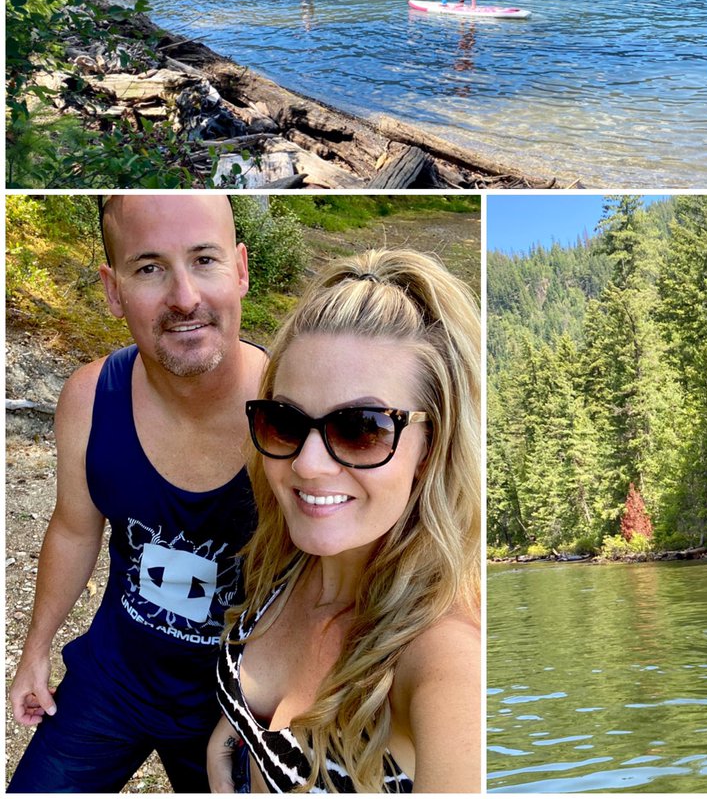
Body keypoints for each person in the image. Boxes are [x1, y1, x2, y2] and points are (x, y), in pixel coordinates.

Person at [8, 195, 266, 792]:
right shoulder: (89, 398)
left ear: (241, 270)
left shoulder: (289, 416)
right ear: (113, 288)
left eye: (205, 260)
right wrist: (35, 651)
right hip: (115, 677)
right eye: (149, 267)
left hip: (237, 704)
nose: (184, 298)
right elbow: (74, 527)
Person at [207, 248, 481, 793]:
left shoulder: (447, 655)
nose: (307, 465)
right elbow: (232, 735)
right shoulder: (290, 555)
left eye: (361, 428)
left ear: (432, 447)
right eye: (284, 422)